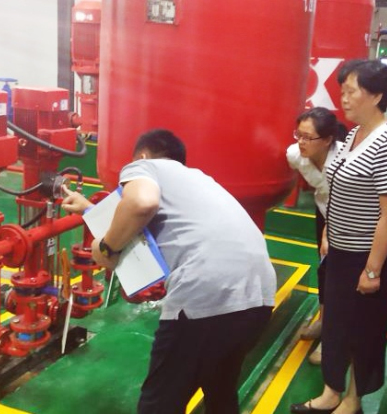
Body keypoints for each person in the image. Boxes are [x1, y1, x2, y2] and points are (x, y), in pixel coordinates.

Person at [61, 129, 276, 414]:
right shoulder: (199, 179)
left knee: (161, 403)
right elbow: (148, 224)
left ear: (142, 155)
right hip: (258, 297)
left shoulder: (143, 166)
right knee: (220, 389)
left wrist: (107, 248)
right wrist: (89, 208)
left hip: (205, 296)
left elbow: (141, 203)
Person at [291, 59, 387, 414]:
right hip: (341, 250)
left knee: (362, 330)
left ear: (376, 96)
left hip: (367, 255)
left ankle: (353, 400)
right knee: (337, 324)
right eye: (342, 91)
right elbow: (337, 189)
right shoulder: (354, 134)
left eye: (351, 91)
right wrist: (330, 229)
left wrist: (372, 270)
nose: (343, 98)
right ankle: (331, 391)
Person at [286, 107, 346, 364]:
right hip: (324, 212)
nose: (301, 142)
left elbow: (346, 203)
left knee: (339, 278)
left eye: (308, 137)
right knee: (324, 270)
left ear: (328, 140)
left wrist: (328, 234)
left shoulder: (344, 160)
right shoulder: (296, 154)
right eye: (298, 134)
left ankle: (333, 339)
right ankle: (323, 321)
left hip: (349, 217)